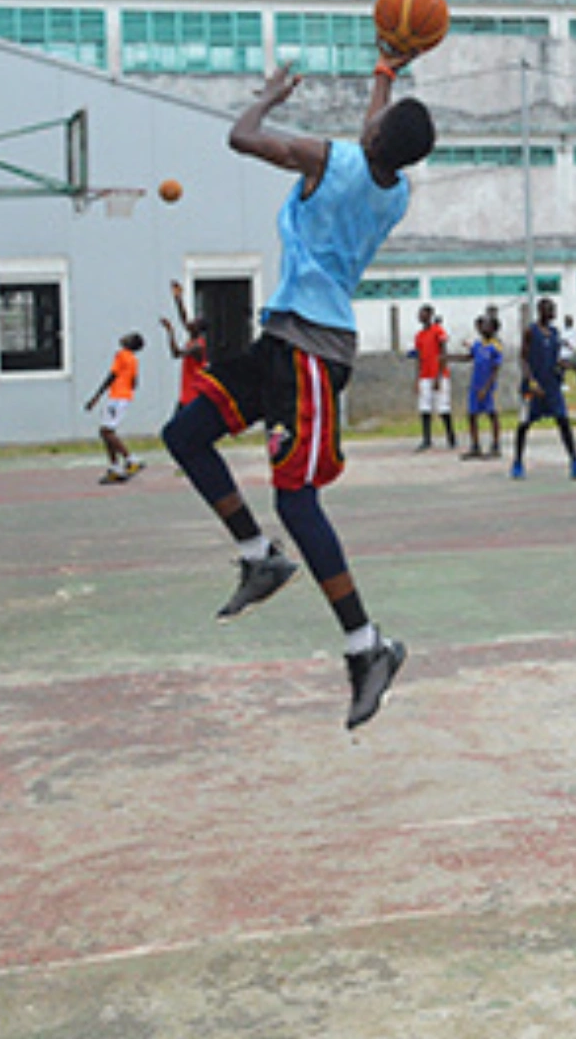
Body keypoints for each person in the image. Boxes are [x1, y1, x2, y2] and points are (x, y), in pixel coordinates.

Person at [159, 58, 434, 730]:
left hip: (312, 352)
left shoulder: (329, 158)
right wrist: (383, 74)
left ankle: (367, 646)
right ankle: (259, 557)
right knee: (184, 435)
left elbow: (242, 137)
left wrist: (268, 98)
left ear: (373, 137)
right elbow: (377, 135)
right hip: (282, 336)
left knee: (297, 497)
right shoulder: (391, 190)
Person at [513, 296, 576, 481]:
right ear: (541, 311)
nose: (553, 312)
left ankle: (575, 462)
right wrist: (530, 381)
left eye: (553, 308)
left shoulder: (554, 333)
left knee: (563, 421)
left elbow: (555, 359)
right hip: (533, 387)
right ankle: (517, 463)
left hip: (552, 386)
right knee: (524, 425)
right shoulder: (530, 331)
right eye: (549, 309)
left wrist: (572, 365)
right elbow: (522, 358)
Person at [86, 331, 146, 483]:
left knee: (106, 431)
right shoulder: (133, 359)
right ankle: (115, 468)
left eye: (128, 337)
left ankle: (131, 460)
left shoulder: (122, 355)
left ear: (130, 343)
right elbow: (134, 383)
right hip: (124, 397)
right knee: (106, 432)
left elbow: (111, 376)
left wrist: (95, 397)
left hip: (117, 397)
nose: (124, 337)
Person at [411, 304, 456, 451]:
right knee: (425, 407)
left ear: (430, 315)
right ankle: (426, 439)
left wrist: (439, 376)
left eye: (423, 313)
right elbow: (419, 358)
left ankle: (451, 437)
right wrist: (417, 379)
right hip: (424, 375)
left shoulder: (438, 331)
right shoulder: (419, 335)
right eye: (420, 314)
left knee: (443, 407)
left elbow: (443, 352)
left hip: (439, 374)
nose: (420, 316)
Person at [159, 280, 209, 411]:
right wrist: (178, 299)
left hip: (193, 397)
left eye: (195, 322)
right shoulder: (193, 340)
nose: (190, 323)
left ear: (199, 329)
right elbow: (184, 318)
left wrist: (170, 332)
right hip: (187, 397)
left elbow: (176, 353)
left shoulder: (198, 347)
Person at [463, 312, 504, 459]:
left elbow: (495, 370)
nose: (482, 327)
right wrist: (448, 358)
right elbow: (469, 357)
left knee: (492, 414)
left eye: (486, 325)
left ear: (493, 329)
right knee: (472, 415)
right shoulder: (478, 344)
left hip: (488, 387)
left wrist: (486, 388)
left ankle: (496, 446)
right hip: (475, 385)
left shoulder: (496, 346)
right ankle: (475, 446)